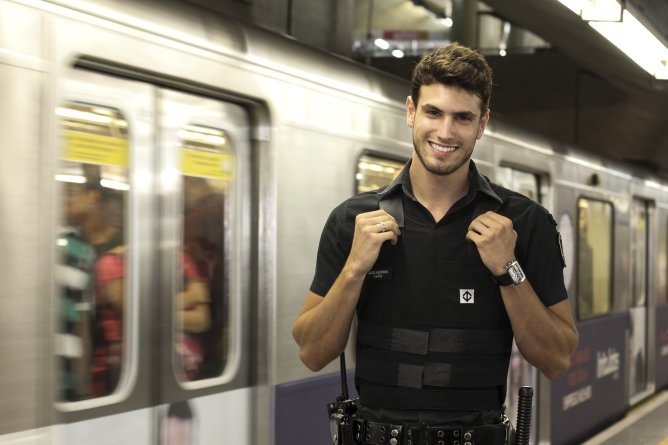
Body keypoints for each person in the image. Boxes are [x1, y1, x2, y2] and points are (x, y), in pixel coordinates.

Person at [292, 43, 579, 444]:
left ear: (482, 125)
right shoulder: (352, 220)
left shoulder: (524, 223)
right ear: (411, 112)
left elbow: (556, 359)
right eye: (433, 112)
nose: (445, 132)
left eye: (463, 118)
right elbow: (312, 353)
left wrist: (508, 270)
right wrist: (355, 269)